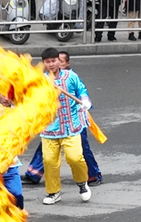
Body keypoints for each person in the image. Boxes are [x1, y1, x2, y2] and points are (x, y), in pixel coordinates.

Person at [39, 49, 92, 205]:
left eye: (53, 61)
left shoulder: (71, 76)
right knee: (49, 161)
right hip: (49, 128)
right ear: (44, 63)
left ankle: (82, 183)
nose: (51, 64)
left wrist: (84, 101)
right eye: (47, 62)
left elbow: (81, 90)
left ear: (58, 61)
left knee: (75, 158)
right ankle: (53, 192)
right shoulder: (39, 81)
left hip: (71, 126)